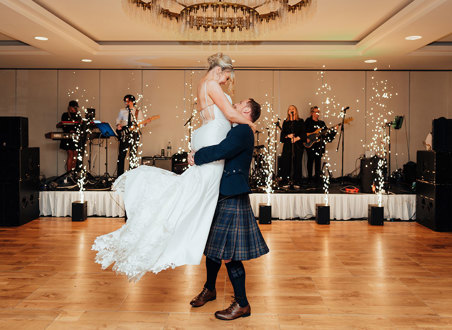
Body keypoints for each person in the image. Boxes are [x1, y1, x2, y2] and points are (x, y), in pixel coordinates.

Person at [92, 53, 256, 281]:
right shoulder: (211, 84)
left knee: (192, 196)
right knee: (194, 198)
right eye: (227, 77)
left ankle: (185, 238)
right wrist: (252, 125)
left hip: (209, 143)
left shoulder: (202, 84)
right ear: (220, 70)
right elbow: (229, 114)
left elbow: (223, 118)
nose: (226, 83)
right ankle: (180, 236)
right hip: (212, 149)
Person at [188, 98, 269, 321]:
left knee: (228, 254)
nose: (235, 103)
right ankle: (210, 289)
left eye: (241, 102)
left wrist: (198, 156)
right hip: (222, 193)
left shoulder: (243, 129)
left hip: (232, 194)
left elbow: (223, 150)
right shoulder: (234, 128)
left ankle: (242, 304)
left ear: (246, 110)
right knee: (213, 248)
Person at [304, 106, 336, 184]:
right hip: (310, 145)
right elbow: (303, 131)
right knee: (310, 161)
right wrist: (306, 138)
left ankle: (317, 179)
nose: (317, 113)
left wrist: (334, 130)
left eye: (318, 111)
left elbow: (326, 134)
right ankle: (310, 179)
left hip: (319, 145)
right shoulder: (308, 121)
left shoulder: (321, 123)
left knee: (318, 162)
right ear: (312, 113)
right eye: (316, 112)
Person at [116, 94, 144, 176]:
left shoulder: (138, 112)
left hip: (134, 133)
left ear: (132, 102)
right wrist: (118, 125)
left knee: (133, 155)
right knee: (121, 155)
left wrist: (142, 124)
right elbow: (118, 120)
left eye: (127, 101)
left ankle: (132, 176)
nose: (125, 103)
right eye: (125, 101)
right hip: (124, 133)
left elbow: (142, 123)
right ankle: (119, 176)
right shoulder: (122, 111)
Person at [279, 105, 306, 185]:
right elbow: (282, 135)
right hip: (288, 145)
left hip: (297, 145)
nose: (291, 110)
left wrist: (297, 138)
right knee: (286, 162)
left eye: (293, 109)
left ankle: (297, 181)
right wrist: (288, 136)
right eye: (290, 109)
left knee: (297, 163)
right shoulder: (286, 122)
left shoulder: (300, 121)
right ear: (288, 112)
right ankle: (286, 181)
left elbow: (304, 134)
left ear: (296, 111)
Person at [59, 100, 80, 172]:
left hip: (75, 137)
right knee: (70, 154)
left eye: (76, 108)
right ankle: (69, 173)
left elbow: (79, 126)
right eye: (74, 107)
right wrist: (70, 130)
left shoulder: (78, 116)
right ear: (70, 107)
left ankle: (73, 172)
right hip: (68, 137)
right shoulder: (65, 115)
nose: (75, 109)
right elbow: (63, 125)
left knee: (75, 154)